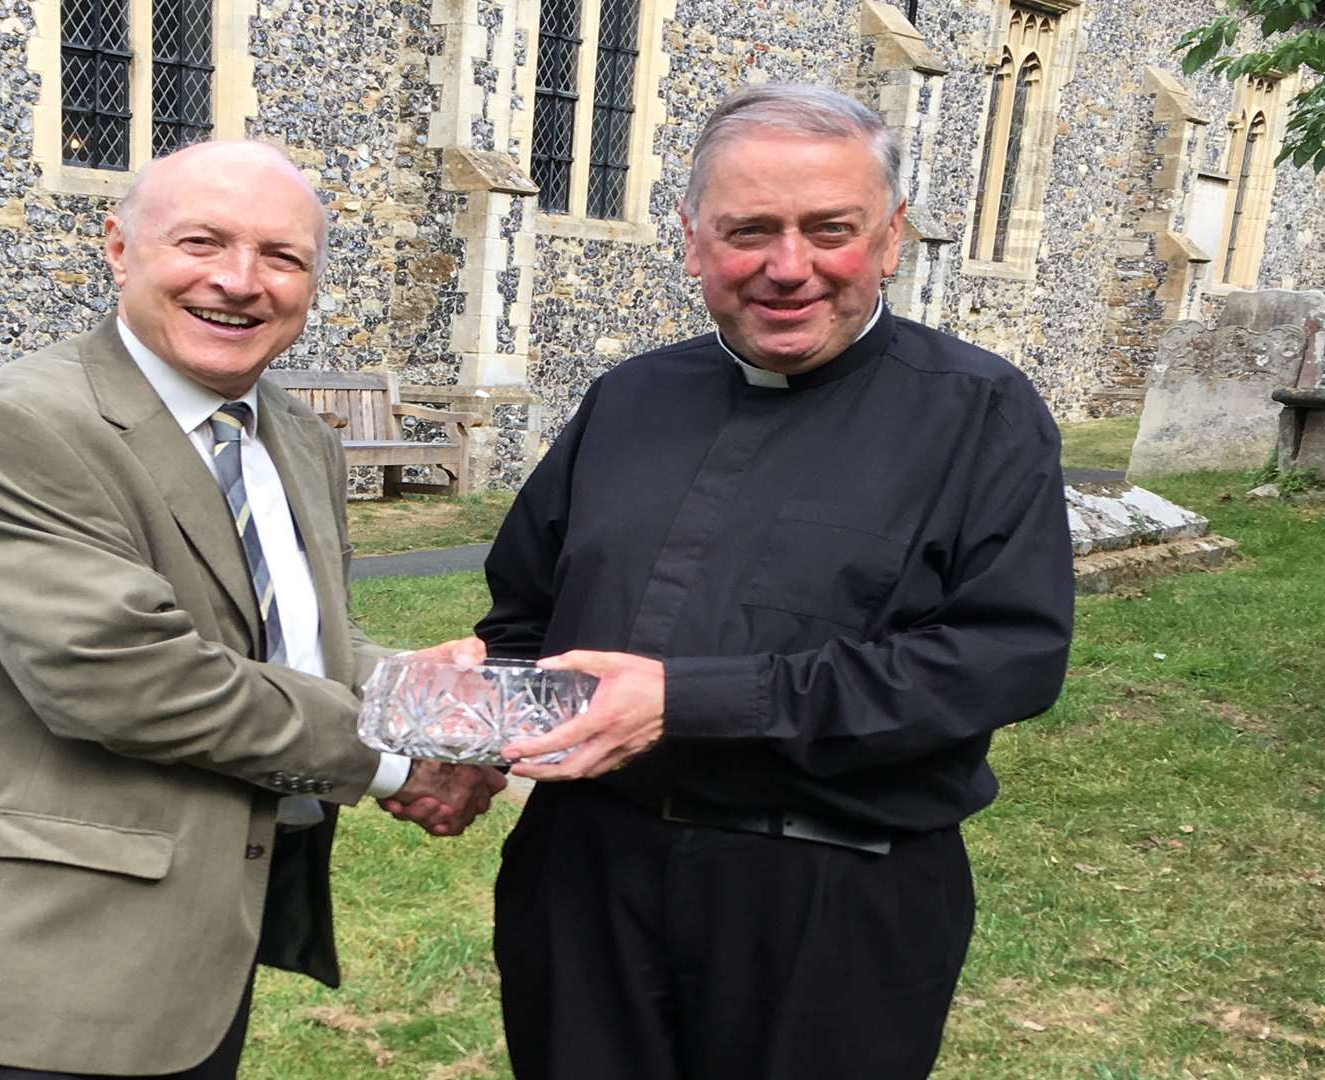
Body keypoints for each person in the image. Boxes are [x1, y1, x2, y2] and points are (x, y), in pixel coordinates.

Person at [454, 84, 1076, 1078]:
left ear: (890, 238)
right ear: (695, 240)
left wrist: (687, 700)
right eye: (749, 232)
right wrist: (474, 720)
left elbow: (999, 663)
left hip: (834, 898)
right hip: (585, 886)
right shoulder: (628, 399)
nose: (790, 268)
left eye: (830, 230)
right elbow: (526, 610)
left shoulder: (980, 414)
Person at [0, 139, 505, 1080]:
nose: (241, 282)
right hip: (39, 971)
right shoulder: (21, 425)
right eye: (202, 242)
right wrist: (395, 758)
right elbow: (129, 679)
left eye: (281, 257)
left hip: (198, 952)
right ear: (119, 248)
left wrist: (441, 702)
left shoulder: (293, 436)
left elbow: (288, 638)